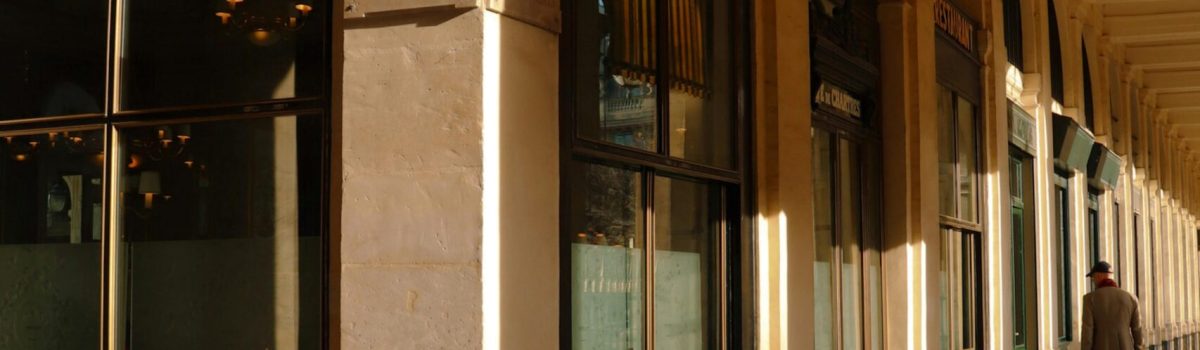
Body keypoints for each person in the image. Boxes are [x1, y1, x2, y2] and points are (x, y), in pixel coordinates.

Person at [1082, 261, 1144, 350]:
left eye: (1093, 277)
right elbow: (1137, 331)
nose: (1093, 281)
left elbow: (1087, 333)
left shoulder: (1089, 299)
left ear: (1099, 276)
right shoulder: (1131, 298)